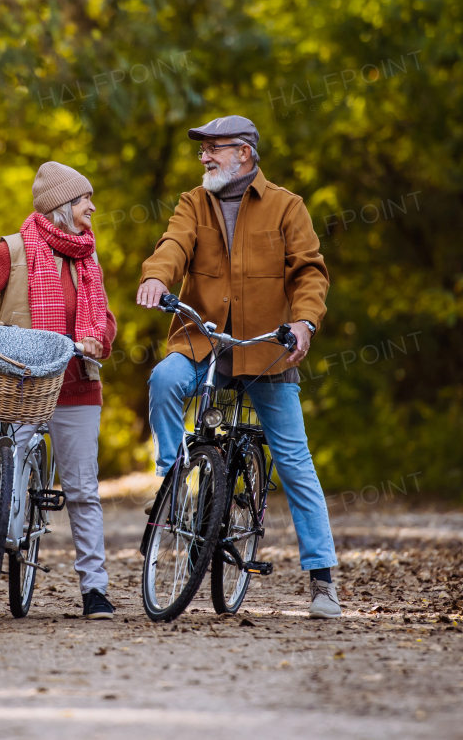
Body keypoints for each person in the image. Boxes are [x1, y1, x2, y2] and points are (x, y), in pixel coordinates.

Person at [135, 115, 342, 619]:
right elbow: (173, 246)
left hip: (267, 350)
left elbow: (309, 272)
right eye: (201, 149)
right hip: (205, 345)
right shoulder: (194, 202)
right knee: (164, 379)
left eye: (214, 148)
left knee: (294, 463)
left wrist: (305, 323)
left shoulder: (286, 206)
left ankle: (322, 579)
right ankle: (173, 487)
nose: (204, 157)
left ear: (244, 153)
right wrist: (157, 278)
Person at [0, 161, 119, 620]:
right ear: (61, 207)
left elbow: (105, 321)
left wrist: (99, 339)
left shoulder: (89, 260)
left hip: (74, 384)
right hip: (18, 384)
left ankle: (95, 589)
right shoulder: (14, 251)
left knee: (82, 490)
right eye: (85, 199)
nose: (92, 206)